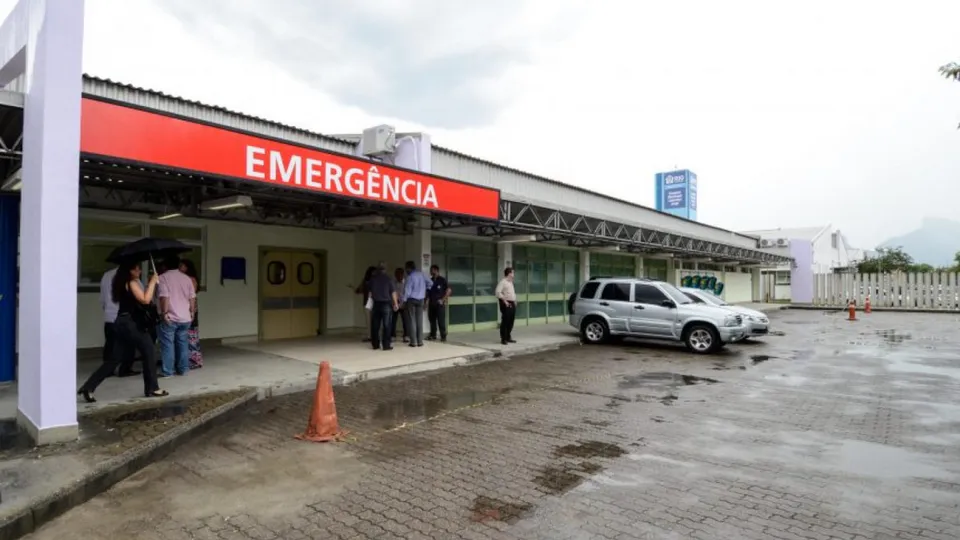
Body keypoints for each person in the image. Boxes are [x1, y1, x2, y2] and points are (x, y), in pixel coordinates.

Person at [78, 260, 167, 402]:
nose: (139, 271)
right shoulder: (130, 282)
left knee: (114, 358)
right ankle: (152, 388)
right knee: (149, 349)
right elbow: (145, 299)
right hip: (129, 324)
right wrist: (152, 283)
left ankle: (89, 386)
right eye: (137, 269)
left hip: (119, 322)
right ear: (130, 271)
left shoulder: (119, 281)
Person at [157, 256, 197, 377]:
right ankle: (183, 369)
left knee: (168, 344)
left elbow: (164, 297)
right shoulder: (186, 278)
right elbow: (192, 297)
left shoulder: (163, 278)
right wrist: (192, 312)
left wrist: (164, 313)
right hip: (185, 317)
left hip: (170, 317)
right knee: (183, 343)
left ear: (165, 266)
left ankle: (168, 371)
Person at [99, 267, 139, 377]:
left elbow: (102, 296)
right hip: (125, 316)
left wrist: (105, 307)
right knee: (129, 344)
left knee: (110, 344)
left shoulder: (106, 274)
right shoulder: (131, 277)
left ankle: (107, 370)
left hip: (109, 315)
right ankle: (125, 369)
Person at [368, 263, 399, 350]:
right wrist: (396, 304)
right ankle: (386, 345)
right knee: (387, 325)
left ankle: (375, 344)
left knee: (375, 325)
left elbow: (370, 293)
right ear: (385, 269)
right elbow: (393, 292)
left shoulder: (373, 279)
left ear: (378, 270)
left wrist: (369, 304)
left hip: (376, 303)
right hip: (386, 304)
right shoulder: (389, 279)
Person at [179, 259, 203, 369]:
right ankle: (187, 359)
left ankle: (194, 360)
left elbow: (191, 295)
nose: (180, 268)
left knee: (192, 335)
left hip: (191, 309)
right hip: (185, 309)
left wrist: (191, 310)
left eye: (182, 266)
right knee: (187, 335)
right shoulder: (184, 278)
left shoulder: (191, 279)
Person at [403, 260, 431, 347]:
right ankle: (420, 341)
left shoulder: (410, 277)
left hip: (411, 300)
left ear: (409, 268)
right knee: (419, 320)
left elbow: (407, 291)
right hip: (421, 299)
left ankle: (413, 342)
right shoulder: (422, 274)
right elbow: (430, 283)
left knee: (412, 320)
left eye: (406, 269)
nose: (405, 271)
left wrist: (404, 301)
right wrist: (424, 289)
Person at [426, 264, 451, 342]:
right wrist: (425, 302)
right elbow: (427, 293)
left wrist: (443, 300)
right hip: (431, 304)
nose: (430, 271)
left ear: (436, 270)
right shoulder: (430, 280)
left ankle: (443, 336)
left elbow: (449, 290)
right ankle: (433, 335)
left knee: (441, 320)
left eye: (432, 270)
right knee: (432, 320)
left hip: (439, 304)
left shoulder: (442, 280)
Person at [495, 267, 517, 345]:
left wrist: (515, 301)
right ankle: (503, 338)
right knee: (505, 321)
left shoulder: (510, 282)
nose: (513, 274)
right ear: (509, 273)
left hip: (512, 303)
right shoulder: (503, 282)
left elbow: (512, 293)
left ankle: (508, 337)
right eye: (513, 273)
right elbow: (498, 292)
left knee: (511, 321)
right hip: (506, 303)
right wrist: (505, 301)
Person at [355, 266, 376, 342]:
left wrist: (358, 290)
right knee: (371, 320)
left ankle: (371, 335)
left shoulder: (366, 281)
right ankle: (371, 335)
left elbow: (358, 290)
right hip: (371, 302)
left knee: (370, 320)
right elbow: (359, 290)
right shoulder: (367, 281)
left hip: (369, 302)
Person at [390, 267, 410, 342]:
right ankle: (392, 335)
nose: (398, 277)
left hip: (403, 303)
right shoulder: (393, 282)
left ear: (402, 275)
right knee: (393, 320)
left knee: (405, 320)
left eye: (399, 275)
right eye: (396, 275)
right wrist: (394, 303)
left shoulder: (406, 282)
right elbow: (392, 292)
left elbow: (407, 294)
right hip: (395, 302)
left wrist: (403, 303)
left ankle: (406, 335)